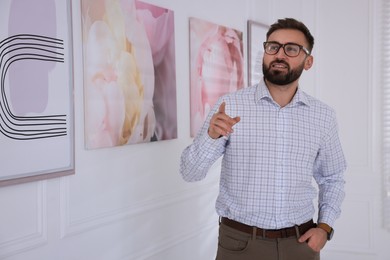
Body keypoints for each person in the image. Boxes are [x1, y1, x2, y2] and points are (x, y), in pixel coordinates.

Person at [180, 17, 346, 260]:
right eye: (273, 47)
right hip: (240, 243)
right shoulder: (231, 105)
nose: (280, 54)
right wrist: (210, 136)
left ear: (308, 61)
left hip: (300, 244)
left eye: (291, 49)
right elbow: (190, 172)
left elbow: (333, 177)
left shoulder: (323, 116)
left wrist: (325, 227)